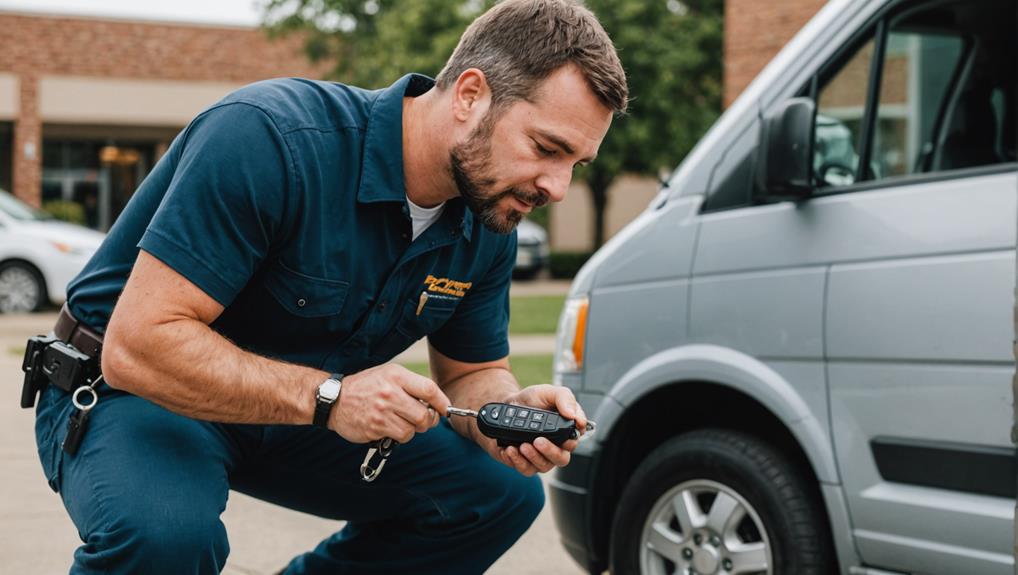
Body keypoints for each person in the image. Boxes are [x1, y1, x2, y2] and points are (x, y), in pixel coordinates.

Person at [31, 0, 627, 573]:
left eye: (575, 163)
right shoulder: (269, 139)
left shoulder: (490, 215)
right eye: (547, 148)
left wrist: (505, 411)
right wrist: (333, 399)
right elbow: (138, 347)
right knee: (166, 538)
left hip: (298, 409)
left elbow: (472, 373)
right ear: (470, 95)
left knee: (496, 496)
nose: (556, 187)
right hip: (132, 390)